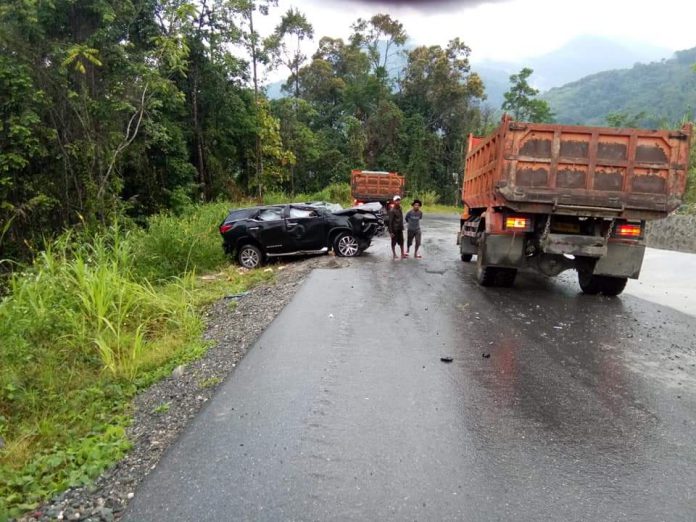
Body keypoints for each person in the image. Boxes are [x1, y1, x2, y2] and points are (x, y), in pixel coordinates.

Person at [387, 195, 406, 259]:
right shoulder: (392, 211)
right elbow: (390, 222)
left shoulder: (400, 208)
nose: (398, 202)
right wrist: (390, 232)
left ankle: (402, 254)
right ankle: (394, 254)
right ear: (394, 201)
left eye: (399, 200)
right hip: (394, 229)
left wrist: (402, 226)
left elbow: (401, 218)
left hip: (400, 228)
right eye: (396, 201)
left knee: (401, 241)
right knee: (393, 242)